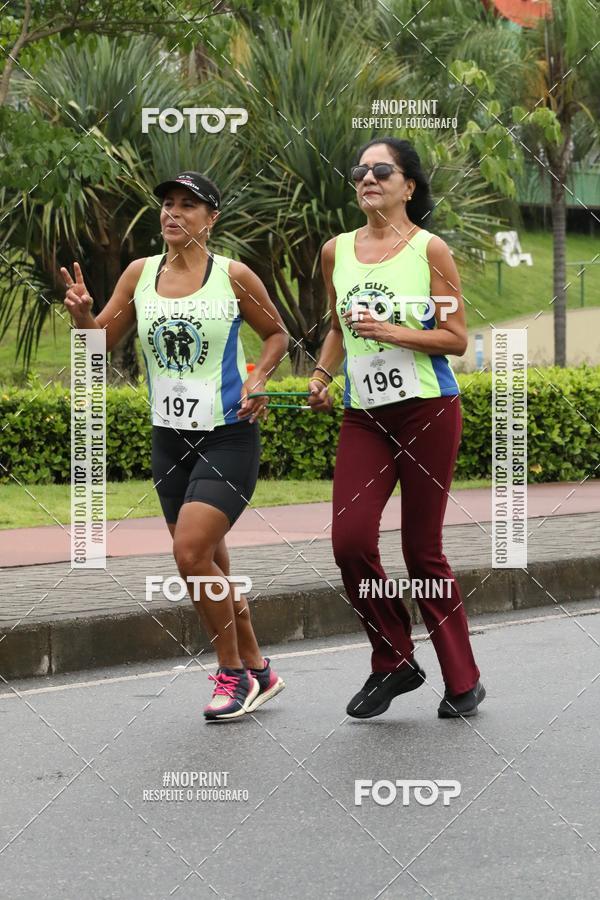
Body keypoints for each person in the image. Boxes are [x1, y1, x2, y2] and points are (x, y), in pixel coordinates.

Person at [62, 171, 287, 721]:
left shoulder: (232, 276)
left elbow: (278, 333)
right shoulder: (140, 275)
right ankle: (259, 669)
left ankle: (231, 675)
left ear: (211, 220)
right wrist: (82, 316)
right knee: (208, 562)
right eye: (167, 204)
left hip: (229, 435)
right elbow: (98, 345)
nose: (173, 213)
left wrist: (259, 380)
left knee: (189, 554)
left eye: (189, 206)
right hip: (169, 440)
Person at [308, 138, 485, 719]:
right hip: (365, 416)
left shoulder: (432, 251)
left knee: (420, 549)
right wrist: (321, 374)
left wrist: (395, 332)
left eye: (381, 170)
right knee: (349, 539)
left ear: (409, 185)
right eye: (359, 170)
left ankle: (463, 680)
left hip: (427, 410)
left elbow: (457, 340)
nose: (368, 178)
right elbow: (338, 328)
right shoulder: (336, 251)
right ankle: (395, 660)